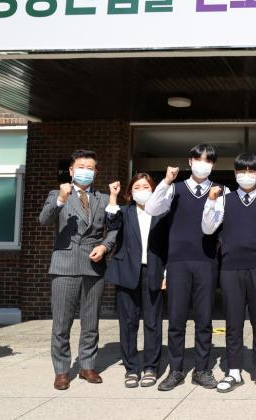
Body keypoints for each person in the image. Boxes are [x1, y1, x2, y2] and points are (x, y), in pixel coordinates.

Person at [145, 143, 222, 391]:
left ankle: (202, 369)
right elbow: (152, 208)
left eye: (208, 160)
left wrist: (212, 200)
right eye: (198, 159)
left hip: (206, 261)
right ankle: (175, 370)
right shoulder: (175, 189)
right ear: (190, 162)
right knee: (176, 319)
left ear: (213, 165)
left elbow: (211, 227)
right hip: (177, 261)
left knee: (204, 319)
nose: (203, 164)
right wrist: (166, 181)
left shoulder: (221, 191)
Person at [202, 153, 256, 393]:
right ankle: (234, 371)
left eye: (251, 171)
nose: (246, 175)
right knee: (233, 323)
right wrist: (210, 201)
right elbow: (208, 228)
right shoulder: (224, 200)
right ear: (235, 174)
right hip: (230, 269)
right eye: (241, 171)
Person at [38, 149, 117, 390]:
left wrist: (104, 246)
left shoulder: (104, 199)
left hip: (94, 265)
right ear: (72, 171)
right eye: (81, 167)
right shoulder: (58, 194)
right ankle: (62, 371)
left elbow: (114, 228)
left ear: (95, 172)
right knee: (62, 323)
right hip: (65, 265)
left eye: (90, 168)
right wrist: (61, 199)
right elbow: (44, 220)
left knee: (91, 321)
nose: (85, 171)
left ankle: (87, 366)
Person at [105, 173, 168, 388]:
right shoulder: (124, 212)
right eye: (137, 187)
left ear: (153, 190)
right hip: (127, 272)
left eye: (146, 186)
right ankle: (131, 368)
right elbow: (111, 224)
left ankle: (151, 367)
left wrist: (166, 274)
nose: (142, 190)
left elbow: (168, 246)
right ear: (130, 192)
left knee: (153, 322)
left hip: (154, 272)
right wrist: (113, 197)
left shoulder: (162, 214)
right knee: (128, 322)